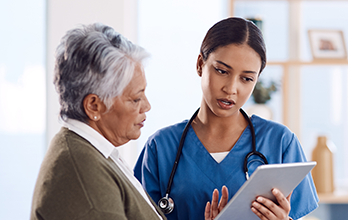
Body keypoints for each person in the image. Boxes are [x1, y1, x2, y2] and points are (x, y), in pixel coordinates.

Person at [134, 17, 319, 220]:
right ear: (200, 64)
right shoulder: (161, 147)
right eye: (222, 71)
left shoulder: (280, 142)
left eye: (246, 78)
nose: (231, 89)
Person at [31, 23, 167, 220]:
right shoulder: (83, 178)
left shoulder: (94, 152)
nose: (146, 106)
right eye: (136, 99)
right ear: (94, 106)